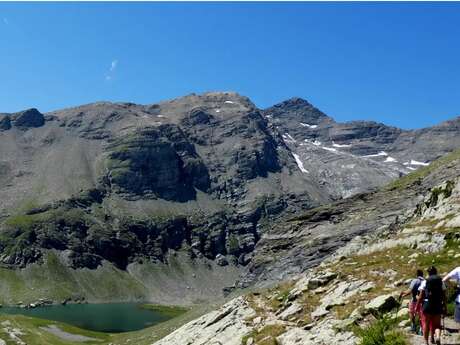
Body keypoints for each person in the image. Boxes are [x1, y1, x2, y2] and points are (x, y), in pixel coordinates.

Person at [417, 266, 447, 345]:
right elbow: (444, 295)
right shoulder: (441, 281)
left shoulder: (425, 281)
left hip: (427, 304)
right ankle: (437, 337)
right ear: (436, 272)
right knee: (437, 324)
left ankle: (426, 342)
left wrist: (417, 305)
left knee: (426, 324)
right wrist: (445, 306)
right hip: (437, 304)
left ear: (429, 273)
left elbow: (420, 296)